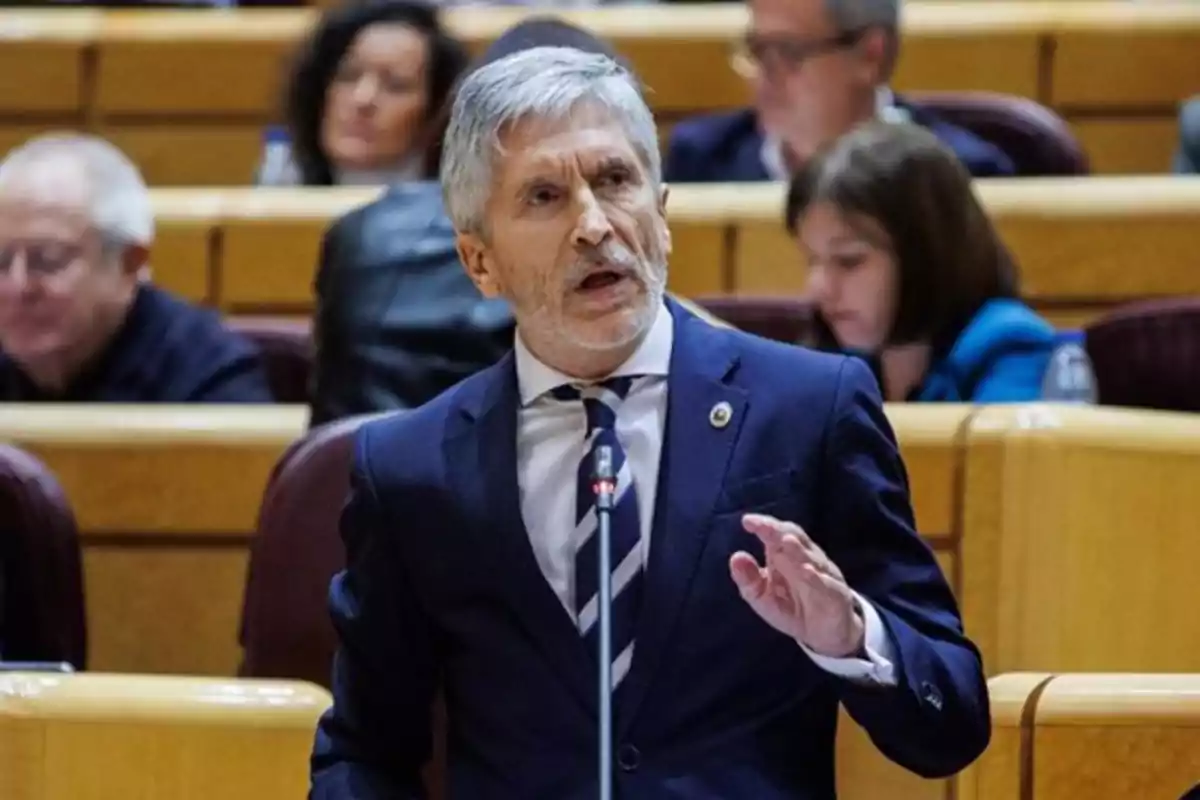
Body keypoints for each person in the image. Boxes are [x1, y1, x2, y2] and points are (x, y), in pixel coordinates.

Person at [311, 47, 989, 798]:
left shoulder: (808, 408)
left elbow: (953, 718)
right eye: (543, 196)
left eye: (614, 179)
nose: (594, 225)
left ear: (660, 212)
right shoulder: (412, 468)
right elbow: (364, 751)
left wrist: (853, 637)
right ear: (479, 261)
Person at [787, 121, 1055, 402]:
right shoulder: (823, 359)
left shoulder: (1007, 346)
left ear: (924, 252)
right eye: (812, 260)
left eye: (849, 261)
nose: (819, 288)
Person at [0, 133, 272, 403]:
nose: (17, 287)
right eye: (1, 262)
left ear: (130, 263)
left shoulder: (209, 373)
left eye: (48, 260)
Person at [664, 0, 1014, 183]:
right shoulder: (699, 162)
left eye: (788, 51)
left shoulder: (962, 173)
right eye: (756, 48)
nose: (764, 75)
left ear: (870, 56)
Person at [258, 0, 469, 186]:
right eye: (347, 76)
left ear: (435, 108)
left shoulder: (459, 214)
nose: (363, 99)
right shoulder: (279, 179)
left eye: (395, 85)